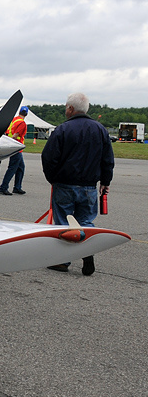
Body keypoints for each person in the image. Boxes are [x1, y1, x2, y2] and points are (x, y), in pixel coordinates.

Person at [42, 92, 114, 276]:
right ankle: (87, 250)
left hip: (64, 184)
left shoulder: (62, 130)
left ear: (71, 109)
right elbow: (107, 159)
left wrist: (53, 178)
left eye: (67, 107)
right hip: (90, 186)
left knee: (64, 224)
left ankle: (62, 261)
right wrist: (105, 181)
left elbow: (49, 157)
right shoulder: (100, 130)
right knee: (86, 221)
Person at [0, 106, 29, 195]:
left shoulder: (14, 120)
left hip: (13, 146)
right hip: (16, 148)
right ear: (26, 114)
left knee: (21, 168)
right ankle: (3, 187)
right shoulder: (22, 123)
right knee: (12, 168)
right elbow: (15, 135)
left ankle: (17, 187)